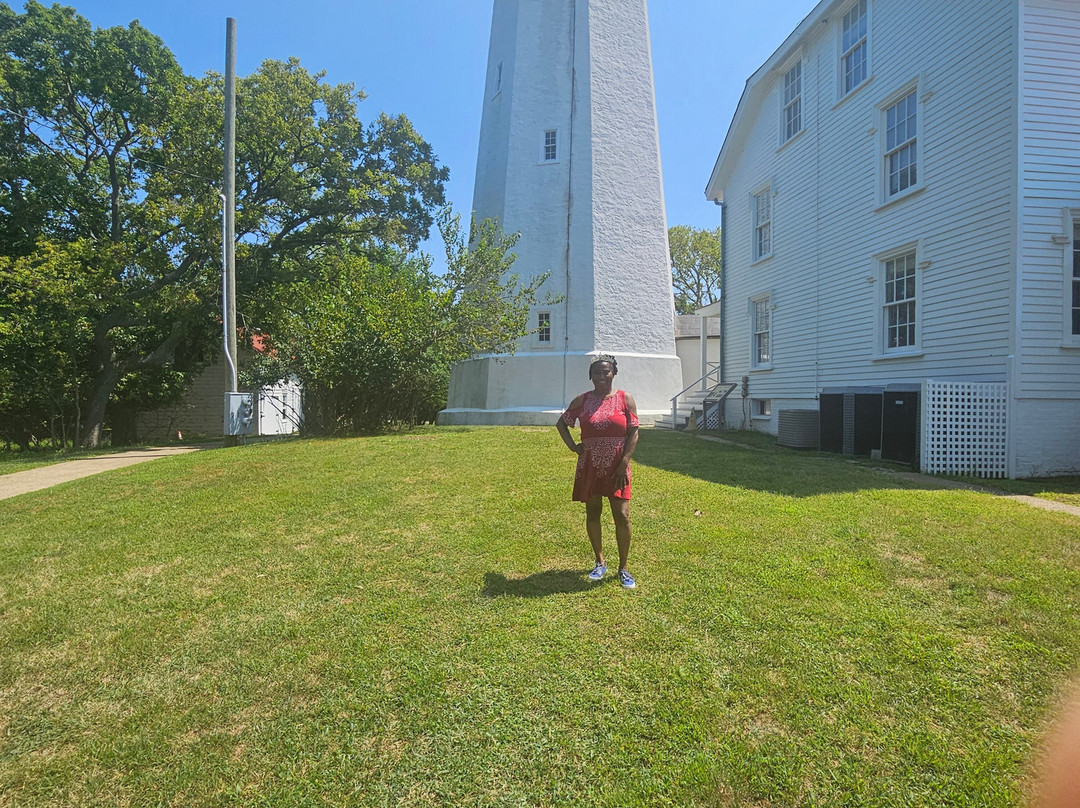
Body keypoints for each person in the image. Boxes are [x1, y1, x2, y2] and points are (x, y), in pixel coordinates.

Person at [556, 355, 640, 589]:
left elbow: (633, 432)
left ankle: (623, 568)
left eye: (606, 372)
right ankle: (600, 561)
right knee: (593, 513)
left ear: (614, 373)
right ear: (590, 375)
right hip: (590, 464)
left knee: (621, 515)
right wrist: (574, 447)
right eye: (597, 372)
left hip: (617, 466)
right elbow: (562, 423)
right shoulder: (581, 401)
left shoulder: (625, 399)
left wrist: (624, 461)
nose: (602, 376)